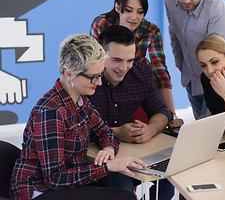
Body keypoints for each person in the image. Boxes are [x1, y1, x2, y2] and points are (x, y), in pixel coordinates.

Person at [10, 34, 147, 200]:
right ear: (69, 74)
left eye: (100, 75)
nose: (99, 83)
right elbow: (55, 179)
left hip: (67, 183)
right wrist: (108, 166)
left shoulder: (81, 100)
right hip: (41, 191)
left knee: (117, 189)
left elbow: (106, 132)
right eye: (93, 77)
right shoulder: (51, 112)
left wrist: (109, 148)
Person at [88, 25, 174, 200]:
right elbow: (74, 132)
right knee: (124, 191)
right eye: (116, 60)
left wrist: (151, 129)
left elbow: (162, 111)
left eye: (130, 60)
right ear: (99, 53)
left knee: (169, 177)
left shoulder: (141, 74)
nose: (124, 67)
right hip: (94, 157)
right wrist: (118, 132)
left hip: (131, 152)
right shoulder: (85, 79)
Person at [90, 0, 183, 128]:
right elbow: (92, 61)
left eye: (140, 12)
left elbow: (160, 72)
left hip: (135, 84)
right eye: (128, 10)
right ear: (117, 7)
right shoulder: (101, 24)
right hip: (104, 85)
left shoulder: (150, 30)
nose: (134, 17)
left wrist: (172, 115)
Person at [165, 0, 225, 119]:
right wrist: (180, 65)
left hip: (219, 79)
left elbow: (220, 58)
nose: (186, 0)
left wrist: (211, 113)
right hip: (191, 78)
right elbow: (173, 32)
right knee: (201, 128)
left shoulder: (217, 9)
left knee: (214, 130)